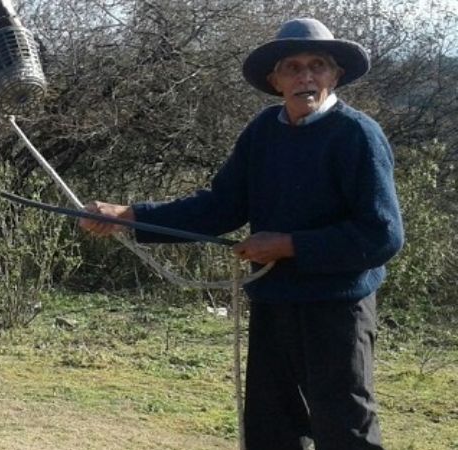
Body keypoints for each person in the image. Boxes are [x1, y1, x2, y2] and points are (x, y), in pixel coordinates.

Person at [79, 18, 404, 450]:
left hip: (337, 310)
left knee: (345, 430)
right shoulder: (263, 132)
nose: (306, 76)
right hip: (273, 303)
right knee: (272, 430)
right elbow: (219, 207)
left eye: (318, 65)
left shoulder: (357, 135)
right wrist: (130, 215)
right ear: (275, 80)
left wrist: (288, 245)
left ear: (335, 74)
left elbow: (382, 234)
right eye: (293, 67)